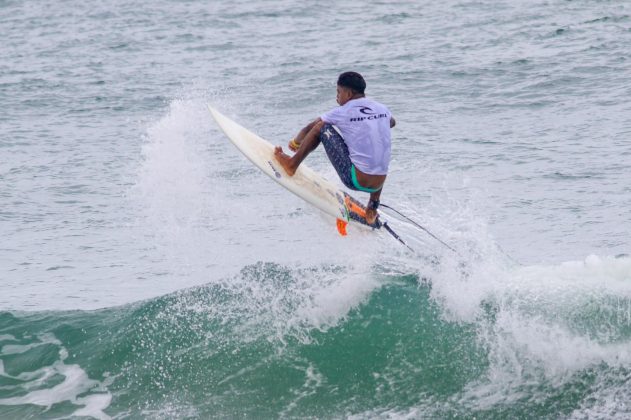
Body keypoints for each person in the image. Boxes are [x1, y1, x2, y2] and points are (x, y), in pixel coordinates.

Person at [274, 71, 395, 225]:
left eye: (339, 92)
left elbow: (310, 127)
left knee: (321, 128)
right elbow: (391, 122)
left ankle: (291, 165)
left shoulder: (342, 112)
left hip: (355, 180)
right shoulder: (381, 108)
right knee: (376, 147)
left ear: (349, 93)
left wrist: (296, 142)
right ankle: (372, 208)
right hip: (378, 184)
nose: (336, 97)